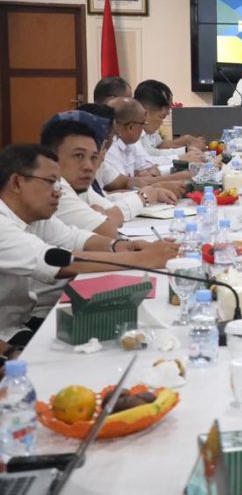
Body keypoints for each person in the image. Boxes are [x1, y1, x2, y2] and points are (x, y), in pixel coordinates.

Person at [0, 144, 179, 349]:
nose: (58, 193)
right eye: (50, 183)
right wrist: (142, 260)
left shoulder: (34, 216)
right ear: (16, 183)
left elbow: (74, 238)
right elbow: (56, 262)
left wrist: (120, 245)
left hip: (21, 322)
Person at [98, 98, 191, 192]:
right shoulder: (109, 147)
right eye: (142, 124)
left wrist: (149, 176)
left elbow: (149, 167)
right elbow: (123, 186)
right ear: (130, 127)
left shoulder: (130, 143)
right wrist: (175, 177)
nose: (143, 130)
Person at [134, 83, 203, 164]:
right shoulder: (132, 134)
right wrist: (180, 158)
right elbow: (144, 163)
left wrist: (186, 150)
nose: (169, 111)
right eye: (161, 117)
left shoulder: (146, 128)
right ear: (145, 113)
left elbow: (155, 151)